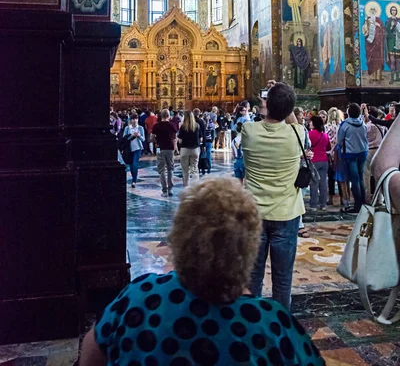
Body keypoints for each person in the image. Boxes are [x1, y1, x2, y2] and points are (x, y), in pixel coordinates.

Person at [80, 178, 325, 366]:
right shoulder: (273, 325)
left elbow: (88, 359)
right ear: (249, 246)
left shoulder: (139, 297)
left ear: (178, 237)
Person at [242, 82, 305, 309]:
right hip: (287, 214)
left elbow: (263, 119)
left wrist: (266, 103)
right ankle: (282, 326)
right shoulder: (297, 134)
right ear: (289, 109)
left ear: (265, 103)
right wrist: (280, 103)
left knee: (252, 279)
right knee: (283, 279)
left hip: (254, 213)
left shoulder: (248, 131)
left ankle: (250, 325)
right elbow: (292, 120)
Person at [337, 103, 368, 213]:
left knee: (354, 180)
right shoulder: (362, 123)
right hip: (363, 153)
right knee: (360, 178)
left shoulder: (345, 125)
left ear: (348, 112)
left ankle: (357, 205)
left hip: (350, 155)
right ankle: (363, 203)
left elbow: (339, 141)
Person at [293, 107, 313, 238]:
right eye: (301, 115)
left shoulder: (303, 129)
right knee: (298, 195)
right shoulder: (294, 130)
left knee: (301, 193)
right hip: (297, 166)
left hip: (304, 165)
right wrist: (301, 155)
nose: (303, 117)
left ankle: (297, 222)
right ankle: (299, 224)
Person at [361, 104, 385, 202]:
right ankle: (379, 198)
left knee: (366, 175)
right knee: (378, 175)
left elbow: (363, 139)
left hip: (369, 151)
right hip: (379, 151)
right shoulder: (382, 126)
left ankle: (367, 198)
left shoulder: (367, 127)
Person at [151, 109, 177, 197]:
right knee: (170, 168)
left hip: (160, 148)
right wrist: (175, 147)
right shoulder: (172, 125)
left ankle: (164, 191)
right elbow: (174, 137)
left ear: (160, 116)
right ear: (169, 116)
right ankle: (170, 189)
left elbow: (152, 137)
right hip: (170, 148)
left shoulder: (156, 126)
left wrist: (156, 142)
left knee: (161, 169)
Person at [308, 116, 331, 211]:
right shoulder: (325, 134)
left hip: (314, 160)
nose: (309, 123)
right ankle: (323, 204)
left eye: (311, 122)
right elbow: (328, 147)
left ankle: (313, 204)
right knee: (323, 183)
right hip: (324, 160)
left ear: (314, 123)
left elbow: (307, 145)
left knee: (314, 183)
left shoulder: (310, 134)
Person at [177, 111, 201, 187]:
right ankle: (195, 188)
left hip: (184, 149)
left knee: (185, 171)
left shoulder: (183, 127)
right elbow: (200, 138)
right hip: (195, 149)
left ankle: (186, 188)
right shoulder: (197, 126)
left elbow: (180, 140)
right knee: (194, 170)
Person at [325, 108, 343, 205]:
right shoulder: (341, 126)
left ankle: (331, 198)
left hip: (328, 154)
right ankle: (342, 198)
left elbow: (326, 140)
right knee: (340, 176)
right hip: (339, 153)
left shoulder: (326, 127)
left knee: (331, 177)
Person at [123, 114, 145, 189]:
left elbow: (143, 139)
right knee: (131, 165)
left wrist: (138, 136)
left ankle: (134, 181)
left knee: (135, 163)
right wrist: (131, 136)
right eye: (132, 119)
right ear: (130, 120)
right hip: (129, 149)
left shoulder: (141, 128)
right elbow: (124, 139)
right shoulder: (127, 128)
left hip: (137, 148)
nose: (134, 120)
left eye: (136, 119)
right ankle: (133, 178)